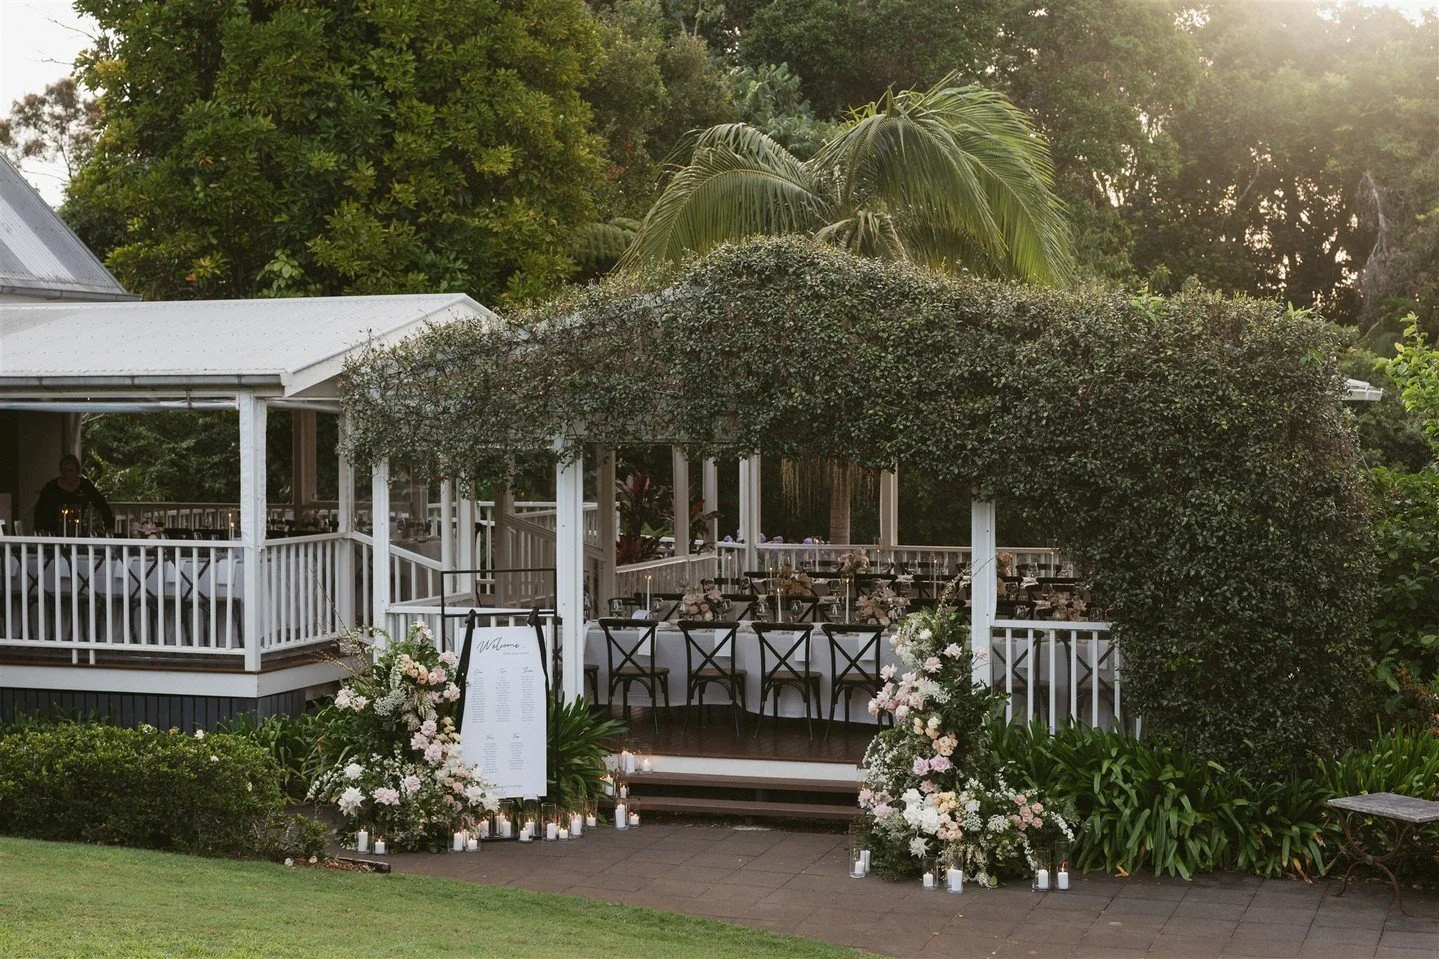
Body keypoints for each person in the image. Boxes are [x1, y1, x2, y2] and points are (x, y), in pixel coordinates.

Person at [32, 454, 114, 535]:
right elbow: (40, 510)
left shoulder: (85, 486)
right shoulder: (51, 487)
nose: (67, 474)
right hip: (53, 531)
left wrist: (109, 526)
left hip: (76, 530)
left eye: (70, 471)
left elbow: (102, 505)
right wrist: (39, 530)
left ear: (77, 471)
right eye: (64, 471)